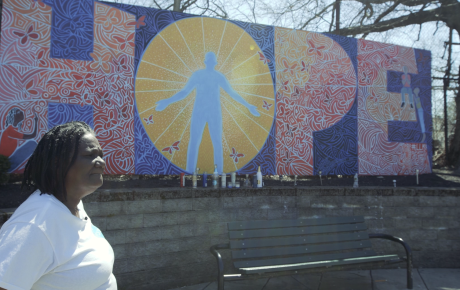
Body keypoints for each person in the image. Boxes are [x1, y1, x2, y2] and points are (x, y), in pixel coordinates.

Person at [0, 121, 116, 290]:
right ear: (57, 163)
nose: (100, 162)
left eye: (100, 155)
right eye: (89, 155)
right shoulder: (34, 225)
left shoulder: (73, 206)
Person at [156, 51, 260, 173]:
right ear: (206, 62)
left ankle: (219, 173)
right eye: (209, 61)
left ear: (214, 63)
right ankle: (190, 171)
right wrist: (167, 101)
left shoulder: (218, 76)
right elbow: (184, 92)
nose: (210, 63)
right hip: (199, 112)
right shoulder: (198, 75)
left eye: (212, 61)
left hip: (214, 113)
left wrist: (248, 106)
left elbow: (232, 93)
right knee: (194, 141)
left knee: (216, 142)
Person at [0, 108, 38, 172]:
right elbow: (32, 135)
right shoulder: (10, 130)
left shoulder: (13, 129)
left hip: (7, 162)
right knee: (32, 144)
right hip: (7, 163)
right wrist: (36, 121)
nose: (21, 112)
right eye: (18, 112)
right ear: (14, 115)